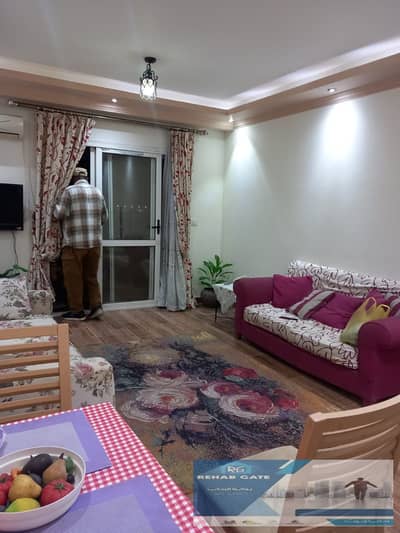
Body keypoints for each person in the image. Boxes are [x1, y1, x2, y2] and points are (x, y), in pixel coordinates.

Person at [54, 167, 108, 320]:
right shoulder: (97, 192)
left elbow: (60, 214)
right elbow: (104, 218)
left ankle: (77, 311)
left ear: (73, 178)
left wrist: (54, 205)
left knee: (73, 279)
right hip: (94, 244)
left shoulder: (69, 191)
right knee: (91, 277)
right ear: (86, 177)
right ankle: (96, 307)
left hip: (74, 244)